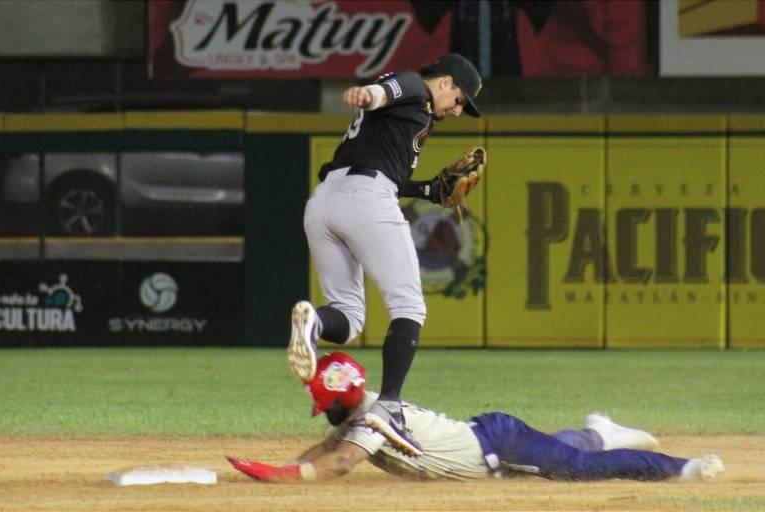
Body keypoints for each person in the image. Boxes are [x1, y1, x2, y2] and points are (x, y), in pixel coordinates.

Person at [287, 53, 483, 457]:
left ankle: (313, 322)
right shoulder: (415, 87)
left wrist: (429, 191)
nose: (459, 110)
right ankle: (390, 405)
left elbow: (388, 171)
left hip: (324, 202)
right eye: (461, 99)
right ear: (445, 82)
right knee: (408, 304)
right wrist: (369, 93)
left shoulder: (413, 109)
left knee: (348, 317)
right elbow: (391, 89)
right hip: (366, 200)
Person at [229, 352, 725, 483]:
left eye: (325, 404)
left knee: (576, 471)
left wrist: (290, 474)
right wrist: (286, 470)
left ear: (343, 398)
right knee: (561, 454)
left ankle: (680, 467)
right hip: (489, 442)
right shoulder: (360, 409)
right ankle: (600, 431)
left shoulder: (373, 416)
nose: (324, 413)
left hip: (497, 443)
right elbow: (323, 452)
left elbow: (338, 464)